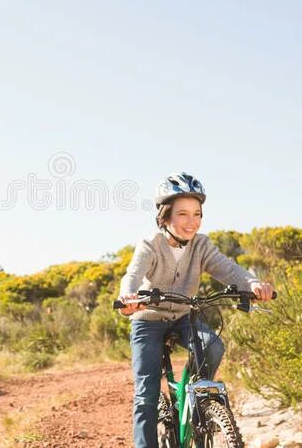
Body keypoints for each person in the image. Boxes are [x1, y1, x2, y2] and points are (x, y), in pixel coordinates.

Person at [116, 172, 274, 447]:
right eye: (183, 214)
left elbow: (228, 269)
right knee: (147, 395)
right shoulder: (150, 245)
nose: (192, 222)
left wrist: (253, 283)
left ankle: (195, 403)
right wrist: (128, 298)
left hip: (183, 317)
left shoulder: (202, 245)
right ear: (165, 216)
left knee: (213, 346)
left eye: (197, 214)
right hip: (148, 320)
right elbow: (132, 276)